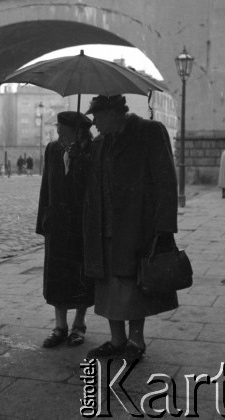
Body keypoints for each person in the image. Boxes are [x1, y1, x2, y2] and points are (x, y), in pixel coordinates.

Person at [82, 95, 178, 364]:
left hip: (137, 226)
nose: (94, 122)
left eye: (97, 116)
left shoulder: (149, 132)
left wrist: (164, 227)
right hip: (104, 228)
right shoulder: (100, 143)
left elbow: (166, 180)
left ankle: (136, 340)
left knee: (134, 287)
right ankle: (117, 340)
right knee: (108, 287)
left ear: (114, 113)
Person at [36, 111, 95, 348]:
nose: (58, 130)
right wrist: (43, 221)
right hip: (57, 225)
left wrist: (79, 156)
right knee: (56, 277)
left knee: (80, 275)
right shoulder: (52, 149)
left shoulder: (89, 151)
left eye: (62, 127)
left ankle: (78, 325)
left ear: (76, 130)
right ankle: (59, 326)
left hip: (80, 225)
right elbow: (46, 187)